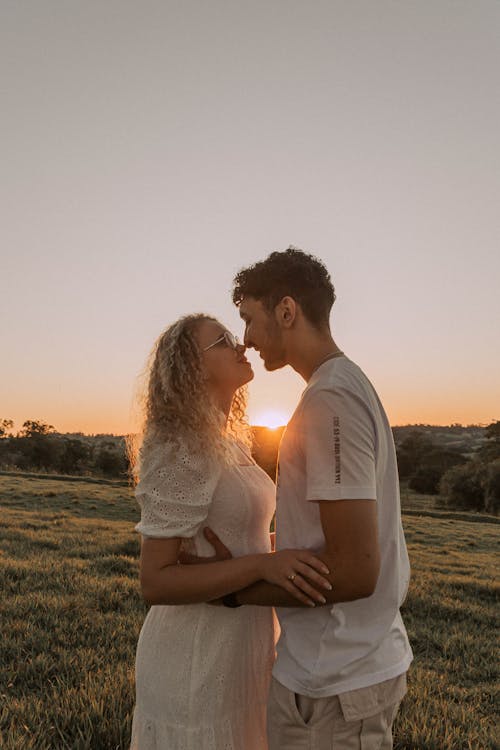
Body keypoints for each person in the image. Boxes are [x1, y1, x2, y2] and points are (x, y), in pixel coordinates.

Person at [204, 248, 413, 749]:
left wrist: (233, 589)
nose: (247, 339)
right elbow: (328, 536)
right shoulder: (337, 387)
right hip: (329, 673)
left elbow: (357, 569)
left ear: (287, 311)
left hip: (338, 684)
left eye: (249, 319)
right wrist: (260, 550)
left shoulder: (331, 400)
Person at [128, 313, 331, 750]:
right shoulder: (178, 444)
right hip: (195, 657)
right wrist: (261, 564)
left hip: (243, 646)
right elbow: (155, 579)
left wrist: (286, 549)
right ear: (191, 367)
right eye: (221, 341)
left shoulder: (228, 442)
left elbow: (242, 535)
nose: (240, 345)